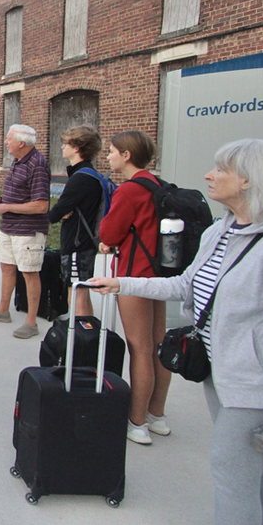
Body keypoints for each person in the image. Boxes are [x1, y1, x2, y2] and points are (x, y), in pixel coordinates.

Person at [89, 138, 263, 525]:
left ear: (250, 180)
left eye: (221, 169)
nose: (208, 175)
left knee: (232, 475)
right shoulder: (223, 230)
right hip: (221, 373)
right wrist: (120, 283)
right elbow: (184, 284)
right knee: (247, 471)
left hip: (257, 384)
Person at [96, 130, 171, 445]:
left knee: (139, 347)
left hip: (132, 275)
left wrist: (106, 242)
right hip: (160, 275)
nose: (109, 156)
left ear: (127, 155)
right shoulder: (158, 186)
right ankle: (157, 415)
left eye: (113, 151)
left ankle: (136, 422)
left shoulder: (128, 190)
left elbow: (109, 232)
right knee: (157, 344)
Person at [0, 124, 51, 339]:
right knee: (7, 268)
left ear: (21, 143)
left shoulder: (37, 164)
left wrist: (7, 207)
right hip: (9, 227)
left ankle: (31, 323)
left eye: (8, 138)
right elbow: (21, 194)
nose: (5, 142)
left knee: (29, 273)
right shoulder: (18, 161)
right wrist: (2, 200)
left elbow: (41, 206)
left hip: (28, 231)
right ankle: (3, 311)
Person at [47, 126, 103, 317]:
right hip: (86, 243)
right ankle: (87, 336)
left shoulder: (80, 178)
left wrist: (59, 213)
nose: (62, 147)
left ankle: (78, 340)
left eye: (66, 143)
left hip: (77, 244)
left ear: (78, 147)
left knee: (76, 293)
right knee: (82, 292)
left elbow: (54, 214)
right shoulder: (91, 174)